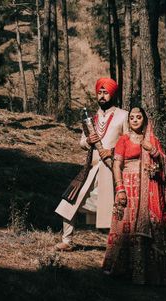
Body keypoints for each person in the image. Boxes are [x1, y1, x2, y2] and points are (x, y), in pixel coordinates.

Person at [102, 107, 166, 285]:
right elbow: (116, 165)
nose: (135, 120)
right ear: (128, 121)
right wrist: (119, 188)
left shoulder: (152, 140)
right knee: (125, 228)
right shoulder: (123, 140)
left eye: (139, 117)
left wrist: (153, 151)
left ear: (145, 119)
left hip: (150, 190)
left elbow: (164, 165)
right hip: (129, 188)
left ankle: (150, 274)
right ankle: (123, 270)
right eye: (132, 118)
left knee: (151, 225)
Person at [55, 78, 129, 251]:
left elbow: (128, 142)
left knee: (114, 209)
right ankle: (67, 241)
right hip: (91, 167)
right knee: (68, 201)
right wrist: (88, 140)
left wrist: (111, 151)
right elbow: (82, 143)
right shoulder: (91, 118)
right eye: (100, 92)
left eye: (106, 92)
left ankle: (119, 245)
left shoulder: (123, 115)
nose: (102, 96)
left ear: (113, 94)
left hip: (112, 170)